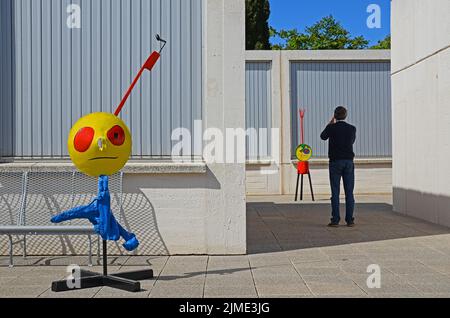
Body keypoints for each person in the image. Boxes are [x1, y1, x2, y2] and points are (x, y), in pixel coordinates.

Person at [320, 106, 357, 227]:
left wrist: (330, 123)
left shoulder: (331, 128)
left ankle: (335, 219)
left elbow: (323, 136)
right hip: (348, 162)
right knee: (349, 192)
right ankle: (349, 220)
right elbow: (351, 141)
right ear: (346, 115)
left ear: (335, 115)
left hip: (335, 162)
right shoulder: (352, 128)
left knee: (335, 192)